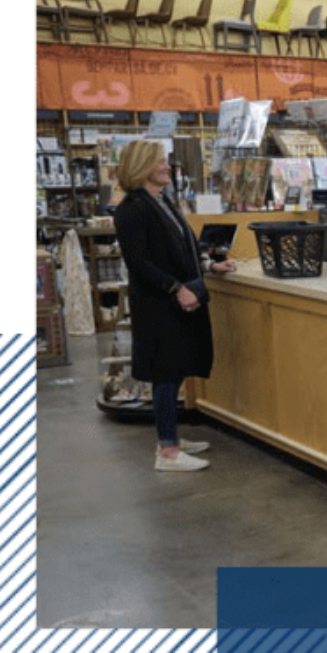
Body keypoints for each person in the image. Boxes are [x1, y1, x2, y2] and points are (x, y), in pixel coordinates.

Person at [112, 140, 236, 472]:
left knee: (177, 366)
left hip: (177, 300)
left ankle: (171, 437)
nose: (167, 166)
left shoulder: (162, 201)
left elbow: (185, 247)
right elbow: (139, 263)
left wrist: (210, 266)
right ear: (141, 167)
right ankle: (166, 451)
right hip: (159, 304)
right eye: (159, 162)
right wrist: (175, 288)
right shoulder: (131, 209)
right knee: (165, 373)